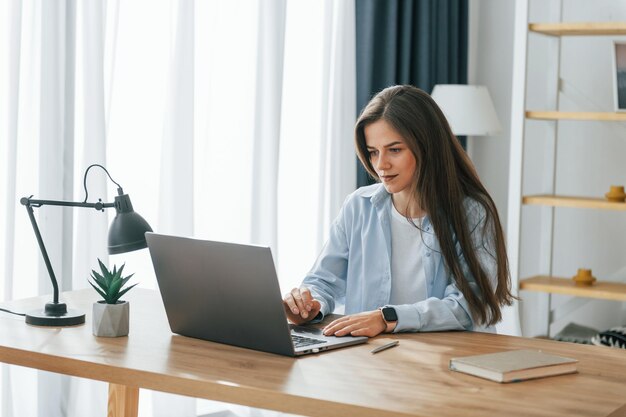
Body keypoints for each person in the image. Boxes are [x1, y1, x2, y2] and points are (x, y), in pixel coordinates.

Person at [282, 84, 514, 337]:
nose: (381, 165)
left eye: (394, 150)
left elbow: (469, 306)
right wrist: (308, 306)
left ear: (427, 146)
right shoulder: (359, 206)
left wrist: (387, 318)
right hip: (370, 357)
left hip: (447, 358)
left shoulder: (472, 213)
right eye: (373, 152)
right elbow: (323, 282)